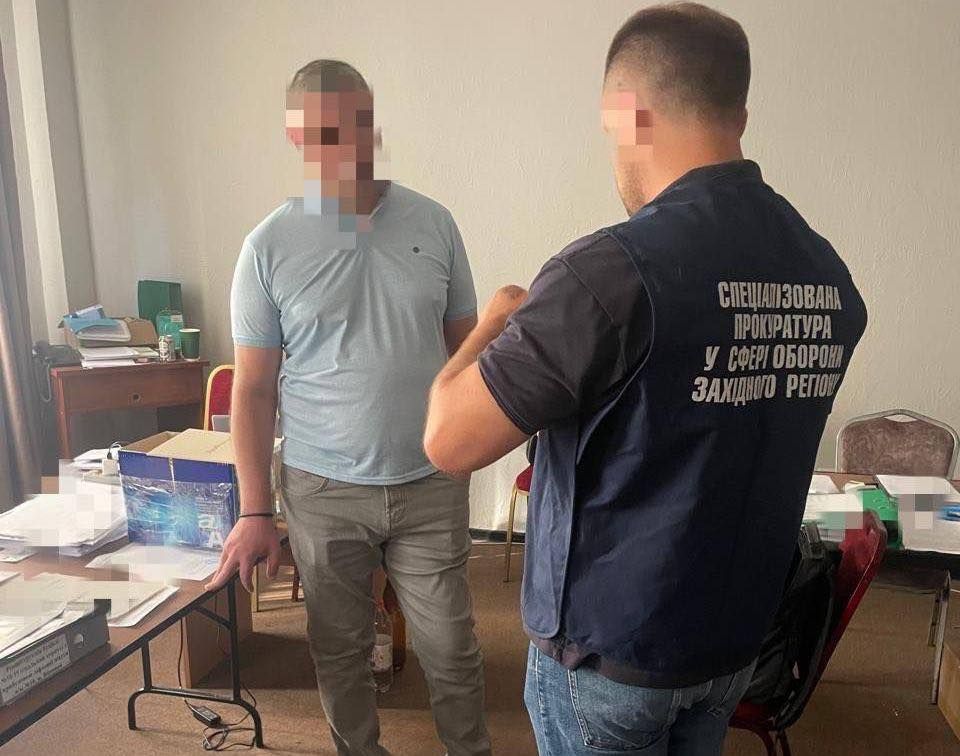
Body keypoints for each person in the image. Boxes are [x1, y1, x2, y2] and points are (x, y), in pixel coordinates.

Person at [423, 4, 867, 754]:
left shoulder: (610, 272)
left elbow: (447, 440)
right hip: (732, 643)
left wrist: (491, 325)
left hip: (611, 654)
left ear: (625, 113)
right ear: (740, 113)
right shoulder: (825, 273)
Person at [207, 59, 491, 756]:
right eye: (325, 132)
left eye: (358, 124)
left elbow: (467, 354)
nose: (347, 145)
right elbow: (253, 388)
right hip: (322, 489)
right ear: (296, 138)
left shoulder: (434, 222)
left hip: (428, 481)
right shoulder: (268, 246)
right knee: (339, 652)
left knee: (451, 650)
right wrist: (254, 511)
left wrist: (475, 443)